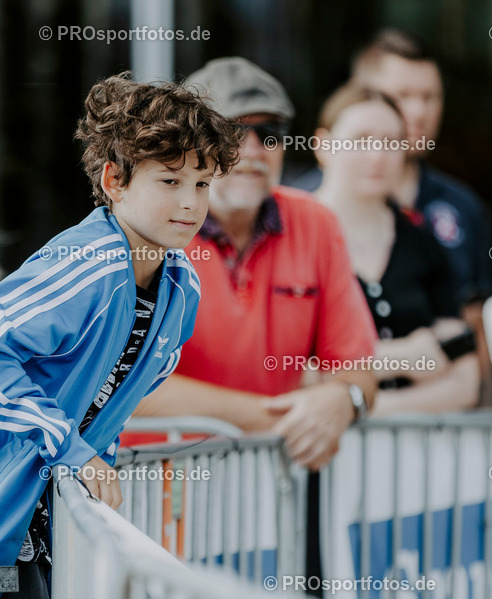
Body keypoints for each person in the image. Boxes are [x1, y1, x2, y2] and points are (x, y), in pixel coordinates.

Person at [0, 74, 242, 599]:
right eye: (169, 181)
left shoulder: (180, 286)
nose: (190, 203)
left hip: (44, 531)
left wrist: (87, 459)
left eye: (202, 184)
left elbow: (106, 401)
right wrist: (71, 451)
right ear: (114, 180)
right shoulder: (89, 261)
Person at [137, 57, 378, 470]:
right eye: (230, 132)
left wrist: (344, 398)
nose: (251, 150)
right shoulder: (147, 225)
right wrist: (285, 417)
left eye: (268, 134)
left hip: (267, 487)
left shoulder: (316, 224)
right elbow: (129, 385)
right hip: (155, 486)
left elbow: (358, 372)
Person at [293, 29, 492, 309]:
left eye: (429, 97)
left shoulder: (462, 208)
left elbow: (475, 321)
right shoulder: (298, 208)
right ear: (360, 94)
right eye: (402, 95)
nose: (418, 112)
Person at [312, 84, 479, 414]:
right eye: (361, 140)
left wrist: (363, 406)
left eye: (390, 142)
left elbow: (465, 381)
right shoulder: (290, 235)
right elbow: (280, 368)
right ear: (323, 145)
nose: (377, 155)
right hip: (314, 448)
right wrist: (404, 356)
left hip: (412, 451)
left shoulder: (422, 241)